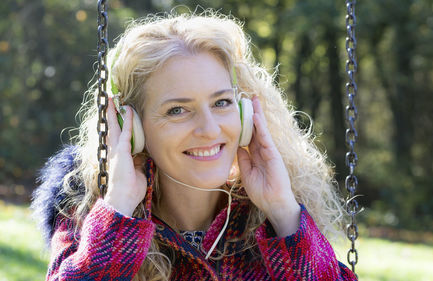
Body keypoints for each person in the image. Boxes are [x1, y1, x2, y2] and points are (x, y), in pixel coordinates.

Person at [31, 11, 357, 281]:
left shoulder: (276, 220)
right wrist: (118, 212)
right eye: (177, 110)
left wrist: (284, 212)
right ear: (132, 128)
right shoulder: (88, 211)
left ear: (245, 114)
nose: (209, 129)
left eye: (222, 102)